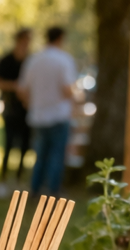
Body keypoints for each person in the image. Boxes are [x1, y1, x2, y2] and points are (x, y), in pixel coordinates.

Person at [18, 26, 76, 195]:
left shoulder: (34, 60)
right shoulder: (64, 60)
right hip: (59, 115)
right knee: (57, 155)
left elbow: (22, 89)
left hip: (38, 115)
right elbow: (67, 88)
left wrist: (30, 103)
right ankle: (53, 191)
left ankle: (35, 189)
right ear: (60, 39)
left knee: (40, 155)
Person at [0, 28, 32, 199]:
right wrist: (15, 86)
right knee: (8, 144)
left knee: (25, 146)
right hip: (10, 109)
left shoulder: (31, 61)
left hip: (27, 110)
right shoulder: (7, 60)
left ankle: (18, 179)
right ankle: (3, 180)